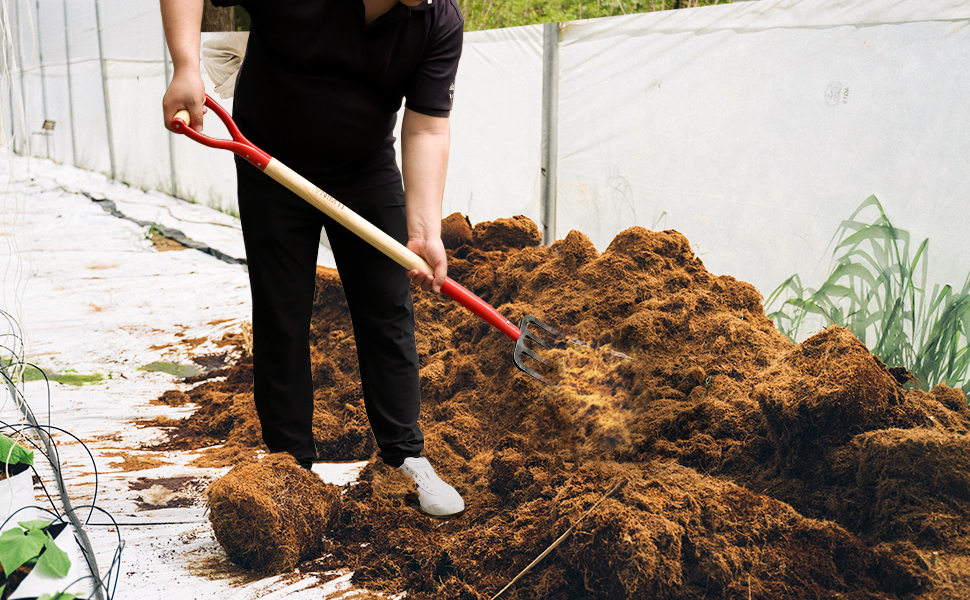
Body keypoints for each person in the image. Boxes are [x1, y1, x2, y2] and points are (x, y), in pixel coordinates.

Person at [160, 0, 465, 516]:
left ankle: (405, 456)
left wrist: (423, 228)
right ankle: (290, 467)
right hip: (271, 165)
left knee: (387, 309)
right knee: (283, 311)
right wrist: (186, 64)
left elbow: (426, 127)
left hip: (365, 170)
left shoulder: (437, 20)